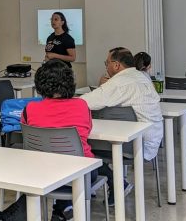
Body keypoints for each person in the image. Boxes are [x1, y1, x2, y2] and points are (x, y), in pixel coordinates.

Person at [80, 47, 163, 204]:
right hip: (150, 139)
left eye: (107, 63)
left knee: (78, 145)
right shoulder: (142, 76)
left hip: (133, 144)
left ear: (116, 65)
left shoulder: (120, 82)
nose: (106, 67)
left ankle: (87, 189)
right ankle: (108, 184)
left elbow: (86, 102)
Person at [21, 60, 102, 220]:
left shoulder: (29, 109)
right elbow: (87, 130)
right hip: (80, 174)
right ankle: (63, 209)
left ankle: (61, 208)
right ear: (70, 82)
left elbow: (25, 130)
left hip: (43, 173)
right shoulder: (82, 105)